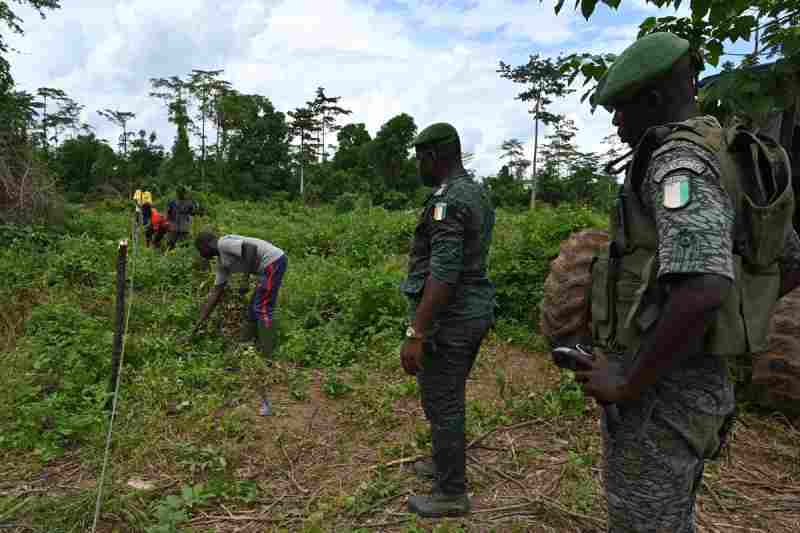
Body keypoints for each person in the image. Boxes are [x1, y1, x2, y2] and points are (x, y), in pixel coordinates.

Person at [553, 32, 800, 532]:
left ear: (655, 99)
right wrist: (731, 325)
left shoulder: (677, 163)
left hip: (662, 395)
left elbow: (704, 284)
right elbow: (788, 258)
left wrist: (628, 378)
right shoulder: (730, 154)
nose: (617, 122)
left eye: (621, 108)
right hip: (698, 382)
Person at [399, 122, 496, 518]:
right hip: (471, 312)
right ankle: (444, 465)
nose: (418, 166)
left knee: (443, 400)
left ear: (434, 157)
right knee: (445, 396)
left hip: (452, 320)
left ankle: (451, 492)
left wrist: (416, 332)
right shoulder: (473, 192)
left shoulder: (447, 202)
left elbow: (443, 273)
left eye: (420, 158)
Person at [190, 231, 288, 356]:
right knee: (252, 309)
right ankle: (244, 345)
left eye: (200, 250)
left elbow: (250, 248)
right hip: (267, 267)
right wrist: (199, 323)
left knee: (262, 307)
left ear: (206, 245)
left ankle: (268, 353)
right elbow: (216, 293)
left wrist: (245, 280)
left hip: (273, 261)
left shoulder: (223, 243)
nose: (201, 254)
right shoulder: (222, 263)